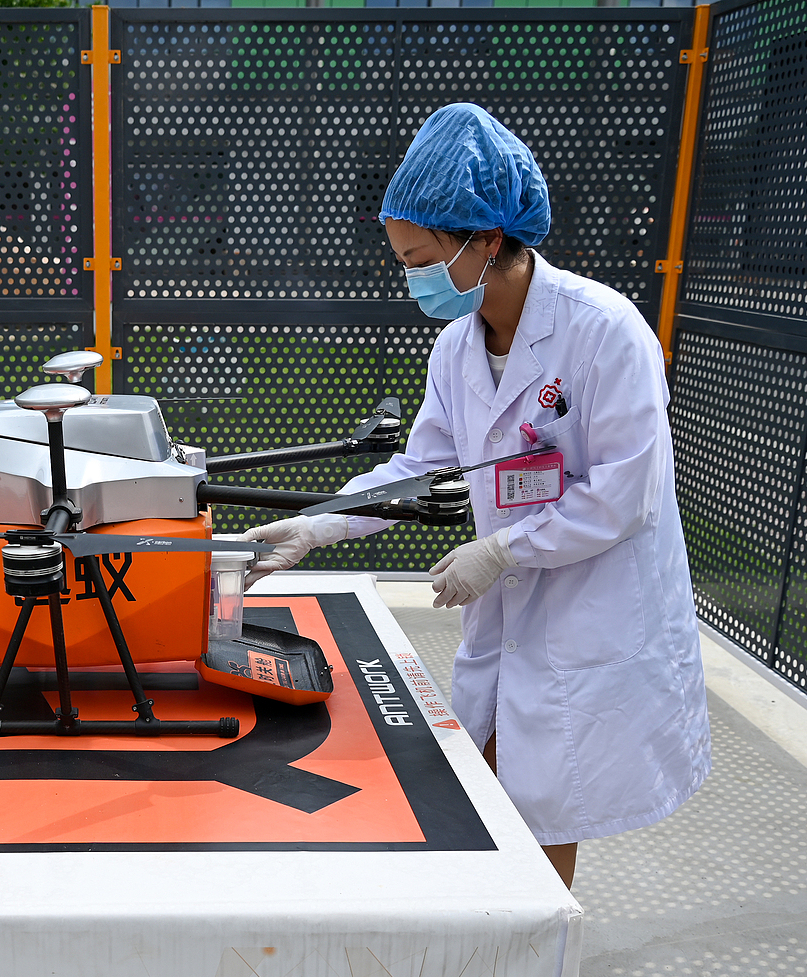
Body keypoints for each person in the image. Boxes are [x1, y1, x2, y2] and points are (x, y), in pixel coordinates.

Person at [240, 103, 710, 889]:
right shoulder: (457, 346)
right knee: (490, 788)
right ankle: (510, 957)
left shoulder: (604, 331)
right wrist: (316, 526)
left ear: (488, 240)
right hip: (510, 619)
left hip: (592, 615)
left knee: (549, 814)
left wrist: (504, 548)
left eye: (421, 256)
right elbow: (416, 469)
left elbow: (628, 494)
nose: (412, 275)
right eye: (401, 258)